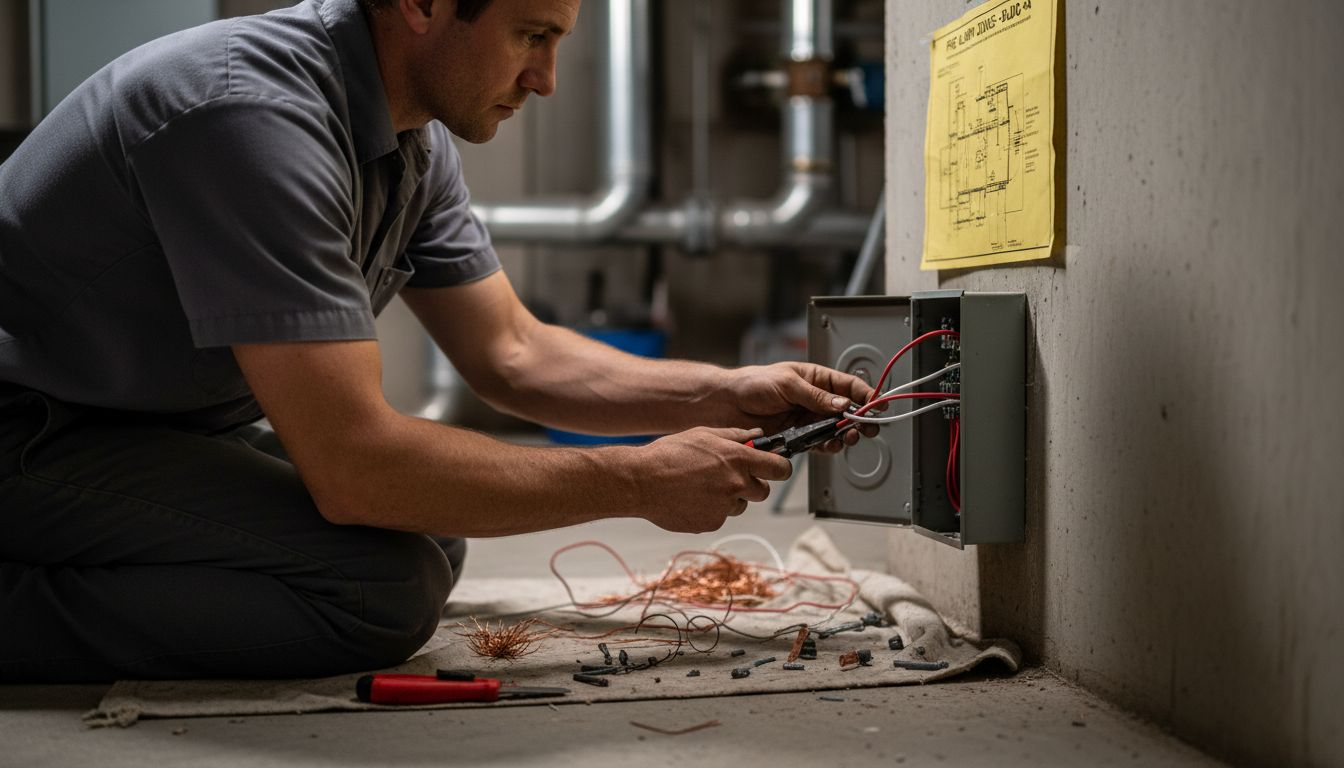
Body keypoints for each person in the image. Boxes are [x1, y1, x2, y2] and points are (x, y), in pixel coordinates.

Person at [0, 0, 872, 683]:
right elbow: (354, 465)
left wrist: (730, 392)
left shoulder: (409, 133)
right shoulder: (251, 116)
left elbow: (513, 354)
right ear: (421, 4)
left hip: (126, 425)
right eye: (531, 35)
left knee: (433, 527)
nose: (547, 79)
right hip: (29, 427)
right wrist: (636, 478)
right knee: (381, 587)